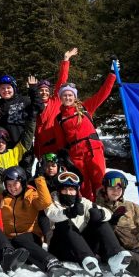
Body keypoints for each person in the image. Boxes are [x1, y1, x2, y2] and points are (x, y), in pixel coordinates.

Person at [45, 171, 131, 277]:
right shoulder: (51, 201)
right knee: (63, 222)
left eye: (71, 189)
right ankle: (87, 259)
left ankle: (114, 256)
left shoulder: (82, 202)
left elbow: (107, 212)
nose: (68, 192)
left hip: (82, 246)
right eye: (65, 189)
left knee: (100, 222)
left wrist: (101, 214)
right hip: (62, 248)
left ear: (77, 191)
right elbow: (51, 214)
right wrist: (68, 212)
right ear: (59, 190)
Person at [55, 62, 117, 198]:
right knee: (83, 186)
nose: (68, 97)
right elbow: (60, 143)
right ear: (60, 98)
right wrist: (64, 159)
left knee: (100, 183)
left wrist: (112, 74)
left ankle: (103, 213)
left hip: (93, 150)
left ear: (74, 97)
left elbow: (103, 94)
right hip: (76, 155)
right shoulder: (59, 118)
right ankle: (88, 214)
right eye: (64, 95)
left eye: (70, 95)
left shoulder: (84, 108)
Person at [0, 166, 71, 277]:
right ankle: (17, 259)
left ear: (22, 182)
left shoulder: (31, 195)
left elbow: (45, 202)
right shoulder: (2, 197)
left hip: (31, 237)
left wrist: (40, 179)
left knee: (19, 239)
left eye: (15, 184)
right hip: (12, 241)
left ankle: (51, 262)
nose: (12, 188)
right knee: (11, 242)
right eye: (9, 184)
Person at [33, 47, 76, 159]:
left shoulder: (55, 100)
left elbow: (62, 80)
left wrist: (66, 60)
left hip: (56, 145)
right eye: (41, 90)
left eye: (46, 90)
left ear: (50, 92)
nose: (44, 92)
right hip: (40, 147)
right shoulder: (34, 104)